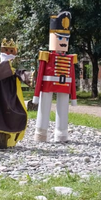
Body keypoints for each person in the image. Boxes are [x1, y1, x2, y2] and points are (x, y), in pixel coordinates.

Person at [33, 11, 78, 143]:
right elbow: (40, 74)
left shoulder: (70, 58)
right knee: (44, 108)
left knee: (63, 110)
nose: (63, 42)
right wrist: (36, 95)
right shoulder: (46, 55)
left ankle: (61, 134)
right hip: (47, 86)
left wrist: (73, 97)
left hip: (64, 86)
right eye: (60, 38)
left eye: (66, 39)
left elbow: (73, 77)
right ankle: (41, 133)